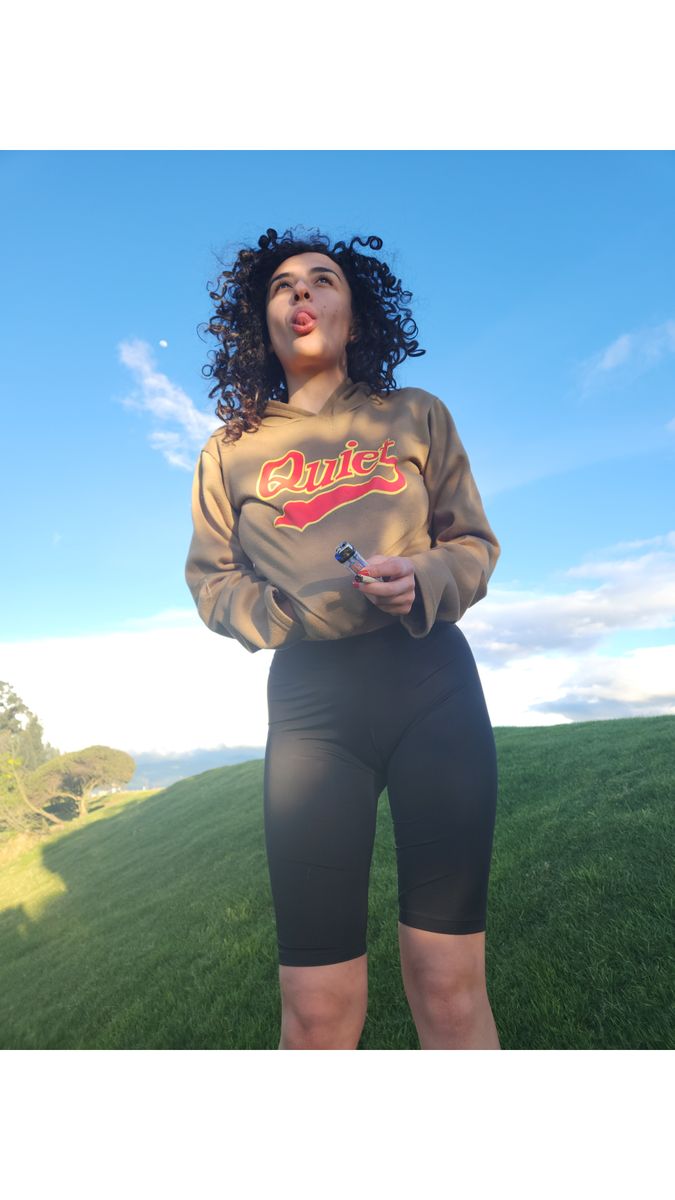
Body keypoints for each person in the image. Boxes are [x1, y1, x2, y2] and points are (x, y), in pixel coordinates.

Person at [185, 226, 502, 1050]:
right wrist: (284, 615)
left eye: (322, 279)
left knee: (448, 985)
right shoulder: (229, 450)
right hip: (312, 711)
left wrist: (423, 577)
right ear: (262, 324)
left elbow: (472, 544)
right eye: (281, 285)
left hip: (430, 684)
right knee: (316, 1010)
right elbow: (212, 581)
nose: (300, 291)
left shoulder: (415, 414)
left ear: (354, 316)